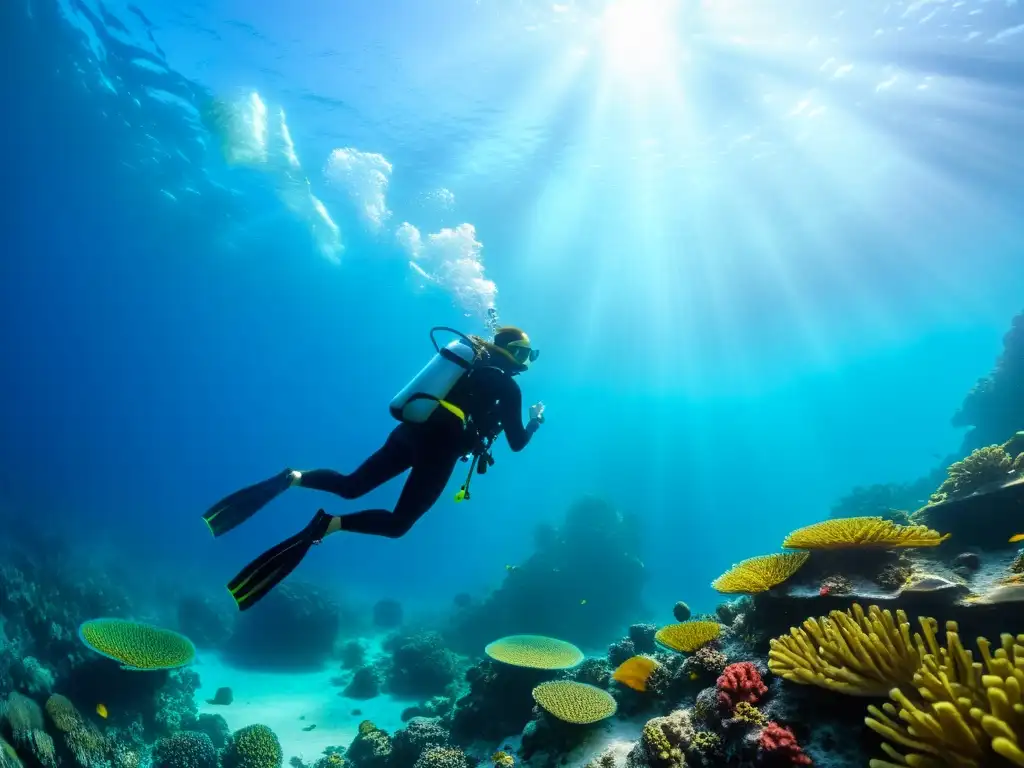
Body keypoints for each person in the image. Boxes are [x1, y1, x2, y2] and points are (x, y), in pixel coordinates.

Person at [202, 326, 545, 611]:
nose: (527, 361)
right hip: (440, 447)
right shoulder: (507, 386)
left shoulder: (467, 366)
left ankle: (294, 478)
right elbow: (516, 443)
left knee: (352, 485)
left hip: (410, 432)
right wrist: (534, 422)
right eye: (527, 354)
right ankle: (331, 524)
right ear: (514, 353)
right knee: (398, 524)